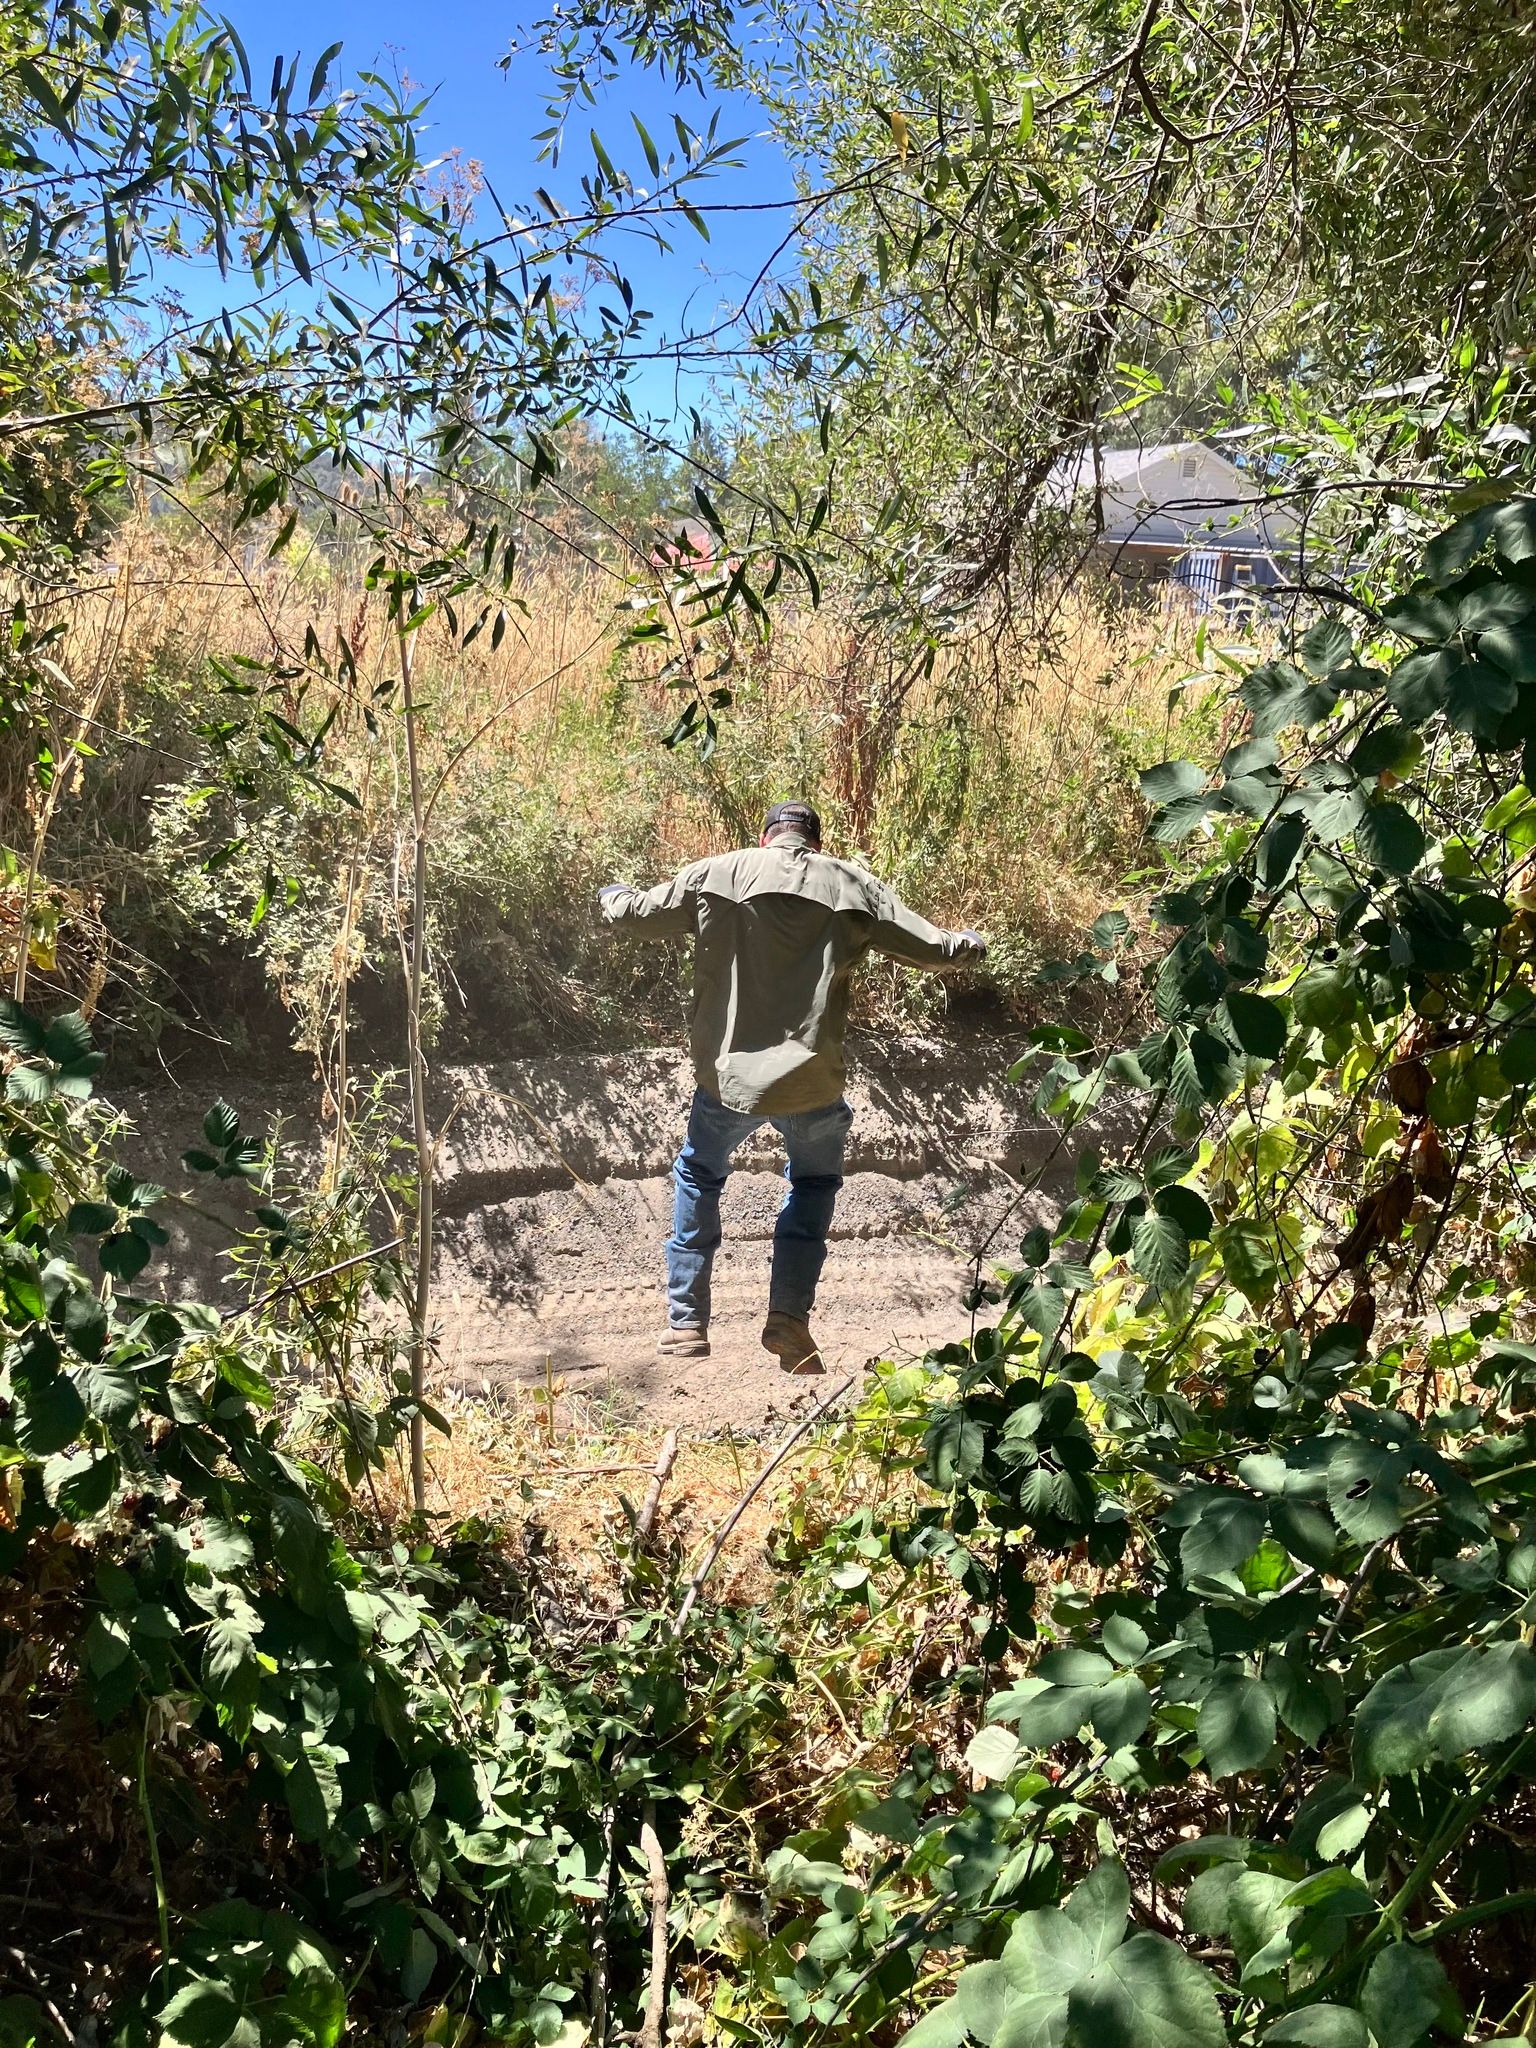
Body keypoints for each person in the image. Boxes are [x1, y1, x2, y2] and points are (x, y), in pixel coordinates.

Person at [596, 799, 986, 1373]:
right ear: (815, 843)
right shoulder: (854, 885)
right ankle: (788, 1317)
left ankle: (686, 1323)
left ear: (766, 837)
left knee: (699, 1175)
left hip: (729, 1082)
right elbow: (934, 949)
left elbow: (634, 916)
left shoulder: (716, 873)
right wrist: (972, 944)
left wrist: (612, 894)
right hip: (812, 1084)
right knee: (813, 1183)